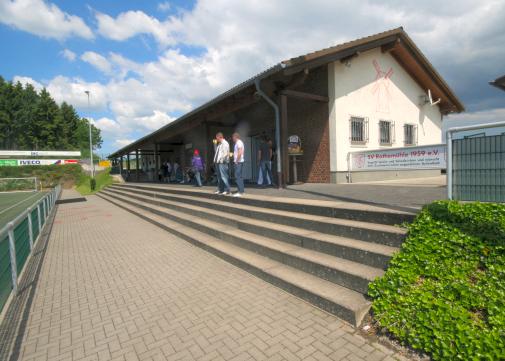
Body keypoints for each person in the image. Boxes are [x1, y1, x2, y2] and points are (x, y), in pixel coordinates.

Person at [232, 132, 245, 197]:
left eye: (233, 137)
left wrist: (236, 161)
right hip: (239, 161)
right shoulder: (239, 142)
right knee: (239, 176)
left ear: (235, 137)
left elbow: (240, 152)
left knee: (237, 176)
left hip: (238, 162)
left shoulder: (239, 142)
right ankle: (241, 190)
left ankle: (240, 191)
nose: (232, 139)